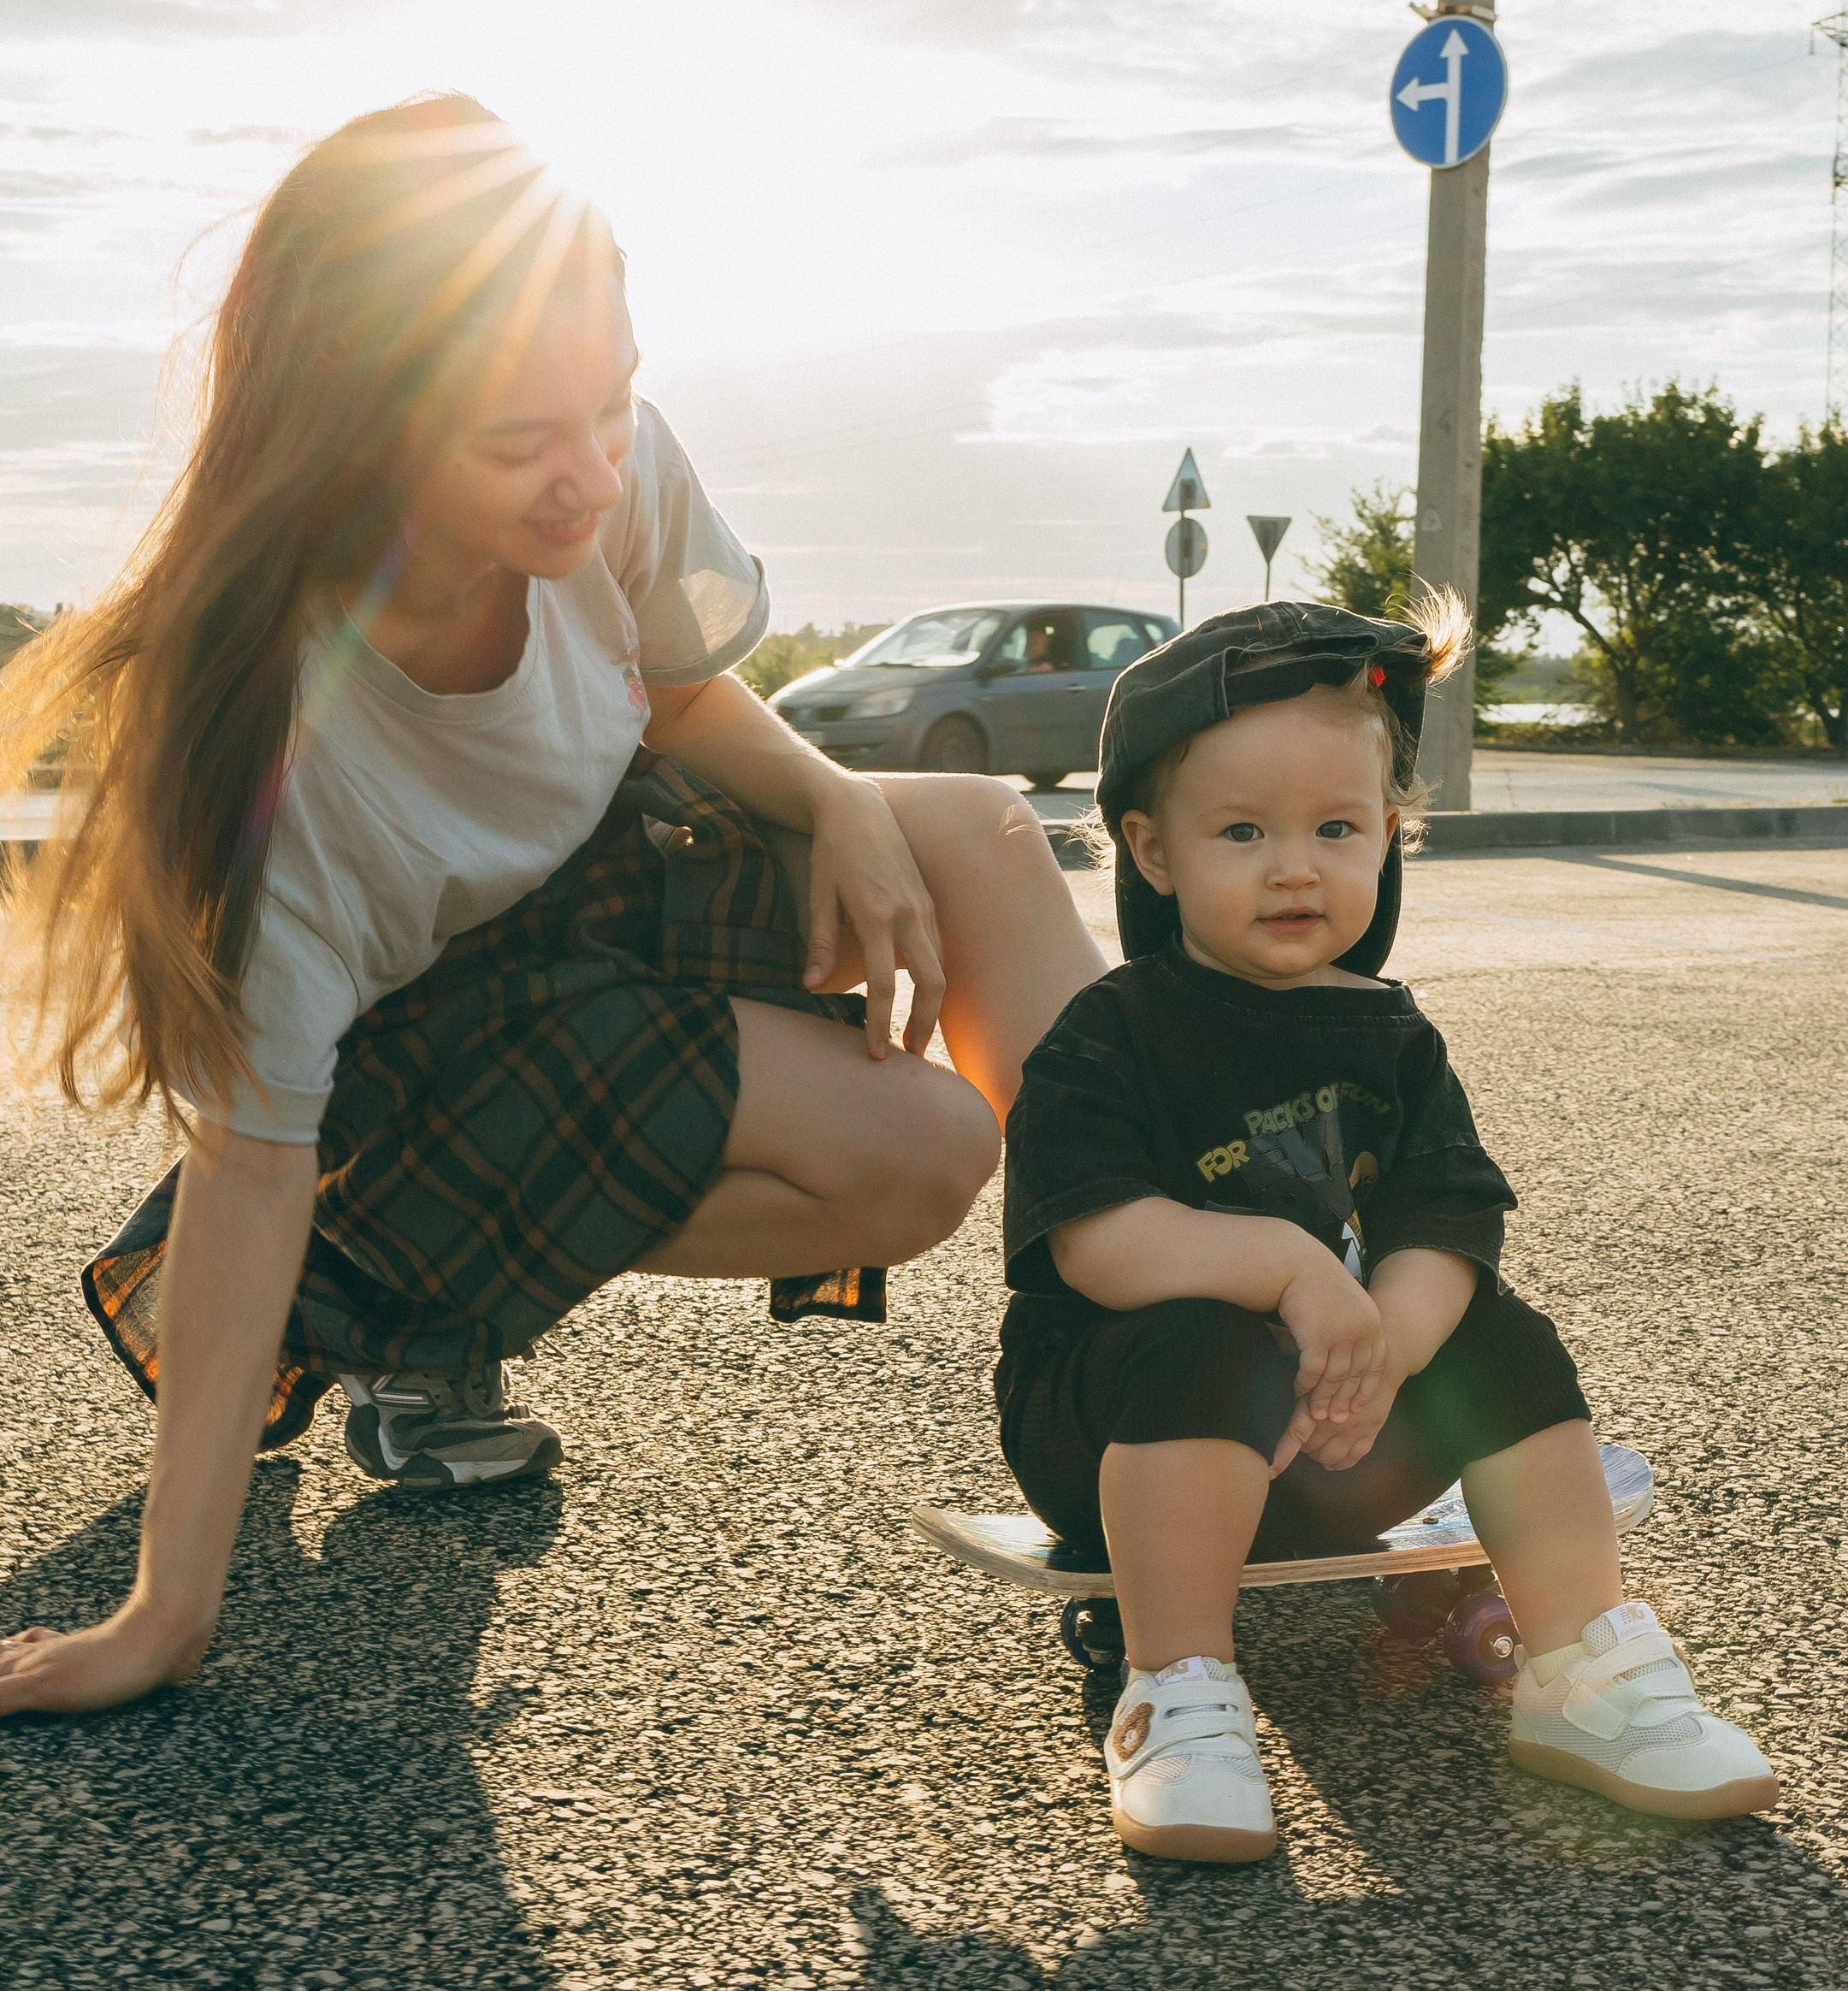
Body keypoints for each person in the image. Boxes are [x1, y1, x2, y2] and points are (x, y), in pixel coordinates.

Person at [0, 96, 1101, 1722]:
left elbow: (671, 691)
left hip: (596, 893)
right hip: (410, 1082)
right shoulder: (279, 763)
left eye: (615, 403)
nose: (592, 472)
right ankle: (394, 1298)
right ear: (358, 425)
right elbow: (250, 1172)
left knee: (989, 836)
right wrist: (164, 1615)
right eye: (522, 441)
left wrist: (840, 798)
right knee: (927, 1154)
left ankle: (1181, 1350)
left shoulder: (609, 472)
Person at [995, 599, 1777, 1864]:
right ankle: (1179, 1688)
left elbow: (1447, 1223)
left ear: (1390, 838)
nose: (1294, 865)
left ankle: (1585, 1675)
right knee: (1202, 1333)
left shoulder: (1394, 1036)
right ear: (1151, 850)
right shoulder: (1111, 1035)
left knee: (1505, 1337)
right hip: (1115, 1430)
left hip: (1335, 1430)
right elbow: (1097, 1243)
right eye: (1242, 830)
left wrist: (1391, 1353)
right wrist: (1297, 1272)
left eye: (1336, 828)